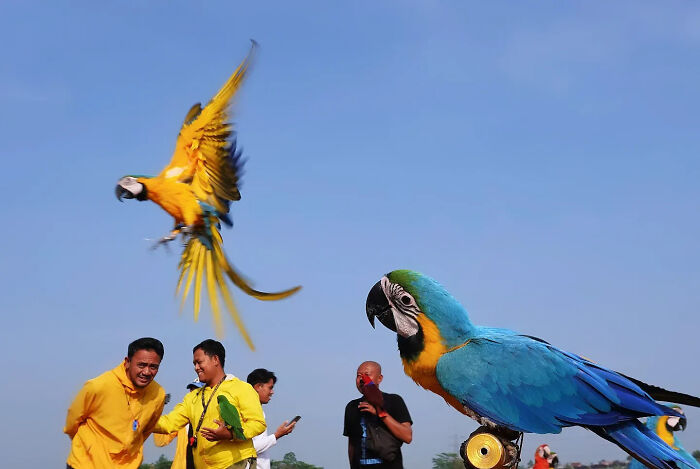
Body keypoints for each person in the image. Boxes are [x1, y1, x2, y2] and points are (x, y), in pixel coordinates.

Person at [155, 339, 266, 469]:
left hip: (236, 463)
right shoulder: (192, 397)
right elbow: (169, 423)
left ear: (215, 359)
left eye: (199, 362)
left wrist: (231, 435)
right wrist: (140, 421)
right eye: (194, 363)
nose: (196, 367)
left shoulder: (241, 388)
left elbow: (258, 424)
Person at [64, 337, 166, 469]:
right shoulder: (99, 386)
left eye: (153, 367)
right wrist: (89, 447)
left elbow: (146, 431)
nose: (146, 372)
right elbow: (72, 424)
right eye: (141, 365)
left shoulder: (158, 394)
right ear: (128, 362)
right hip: (86, 464)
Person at [343, 361, 412, 469]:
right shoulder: (351, 407)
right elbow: (351, 445)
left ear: (379, 378)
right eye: (358, 376)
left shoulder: (394, 401)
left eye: (367, 375)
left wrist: (380, 413)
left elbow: (407, 436)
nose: (361, 379)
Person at [246, 368, 297, 469]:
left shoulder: (258, 411)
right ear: (258, 387)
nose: (272, 392)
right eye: (270, 388)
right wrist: (277, 435)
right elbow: (248, 448)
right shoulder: (248, 411)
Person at [154, 379, 206, 469]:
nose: (192, 394)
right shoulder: (181, 418)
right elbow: (161, 441)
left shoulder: (212, 418)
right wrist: (157, 408)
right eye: (191, 390)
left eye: (197, 390)